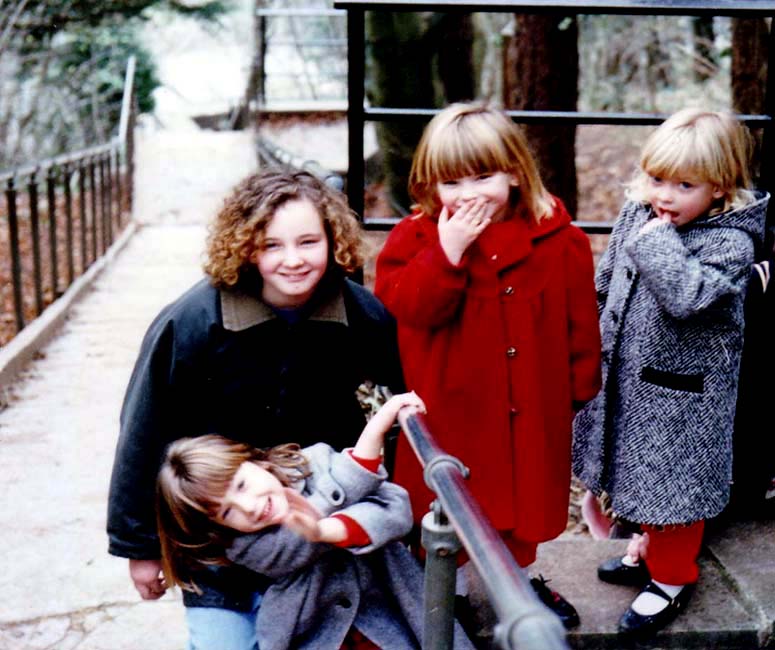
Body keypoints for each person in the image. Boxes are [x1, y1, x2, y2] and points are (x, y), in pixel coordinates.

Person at [106, 169, 404, 650]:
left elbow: (383, 423)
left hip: (312, 544)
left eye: (308, 241)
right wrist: (138, 547)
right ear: (246, 247)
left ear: (333, 239)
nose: (293, 260)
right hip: (217, 548)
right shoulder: (192, 323)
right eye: (271, 246)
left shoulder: (364, 320)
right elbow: (143, 435)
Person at [374, 101, 602, 629]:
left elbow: (579, 321)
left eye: (484, 175)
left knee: (521, 507)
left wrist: (577, 387)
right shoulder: (416, 239)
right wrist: (447, 253)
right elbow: (407, 306)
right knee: (446, 500)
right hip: (453, 406)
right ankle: (441, 589)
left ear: (516, 174)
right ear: (431, 186)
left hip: (532, 403)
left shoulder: (559, 239)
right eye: (452, 182)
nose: (469, 194)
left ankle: (517, 584)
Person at [572, 107, 769, 639]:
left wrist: (657, 242)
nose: (665, 195)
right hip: (628, 380)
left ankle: (673, 577)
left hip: (684, 398)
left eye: (685, 185)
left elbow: (688, 296)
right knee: (637, 483)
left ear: (721, 187)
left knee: (674, 493)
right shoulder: (640, 215)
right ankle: (645, 547)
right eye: (657, 179)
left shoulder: (731, 241)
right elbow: (607, 279)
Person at [156, 391, 475, 650]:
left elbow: (394, 509)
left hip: (391, 612)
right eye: (226, 512)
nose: (248, 507)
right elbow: (294, 545)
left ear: (256, 462)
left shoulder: (315, 461)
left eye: (241, 485)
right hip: (317, 634)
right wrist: (329, 519)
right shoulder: (244, 546)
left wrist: (325, 524)